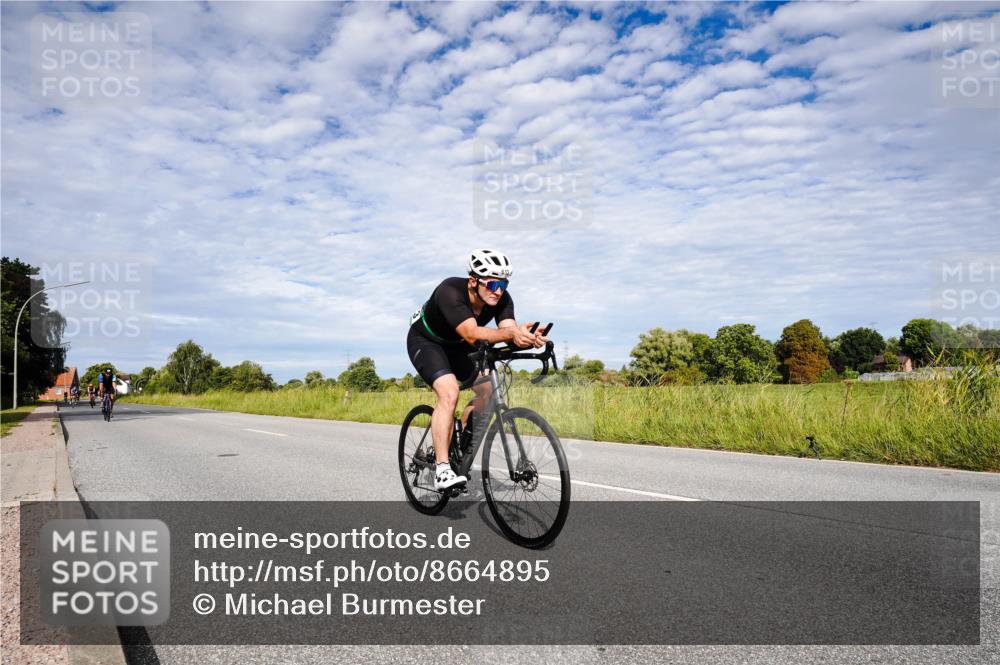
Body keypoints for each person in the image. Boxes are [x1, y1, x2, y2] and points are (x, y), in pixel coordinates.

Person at [406, 249, 546, 491]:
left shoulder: (502, 299)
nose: (498, 291)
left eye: (503, 284)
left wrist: (527, 338)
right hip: (427, 342)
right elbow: (472, 333)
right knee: (449, 393)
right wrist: (512, 334)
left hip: (458, 346)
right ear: (473, 281)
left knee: (488, 389)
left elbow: (507, 331)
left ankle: (460, 444)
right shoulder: (450, 290)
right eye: (492, 284)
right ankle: (442, 469)